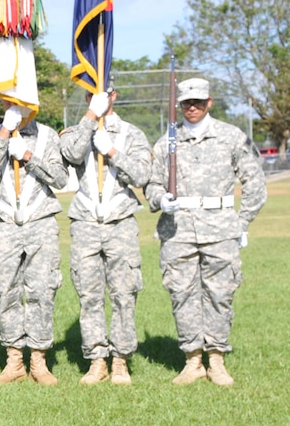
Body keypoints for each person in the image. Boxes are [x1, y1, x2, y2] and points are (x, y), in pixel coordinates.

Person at [145, 77, 266, 385]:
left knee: (220, 294)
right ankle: (192, 360)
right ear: (180, 105)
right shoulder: (167, 142)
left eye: (198, 102)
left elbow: (255, 183)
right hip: (178, 230)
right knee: (181, 294)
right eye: (187, 103)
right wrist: (161, 199)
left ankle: (216, 359)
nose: (193, 107)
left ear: (209, 102)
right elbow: (152, 185)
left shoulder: (231, 137)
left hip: (220, 229)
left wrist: (242, 222)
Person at [59, 86, 151, 384]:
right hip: (86, 222)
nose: (96, 98)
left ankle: (121, 360)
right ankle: (97, 360)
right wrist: (89, 118)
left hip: (119, 221)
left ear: (115, 95)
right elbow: (70, 153)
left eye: (102, 93)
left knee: (124, 293)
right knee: (89, 295)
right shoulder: (78, 130)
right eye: (89, 94)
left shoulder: (132, 134)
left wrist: (111, 151)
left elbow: (141, 176)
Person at [0, 105, 69, 384]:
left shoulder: (48, 136)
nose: (16, 106)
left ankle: (39, 361)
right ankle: (14, 361)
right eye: (8, 102)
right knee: (7, 291)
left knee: (42, 289)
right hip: (5, 224)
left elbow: (61, 179)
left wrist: (29, 157)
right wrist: (4, 133)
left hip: (41, 221)